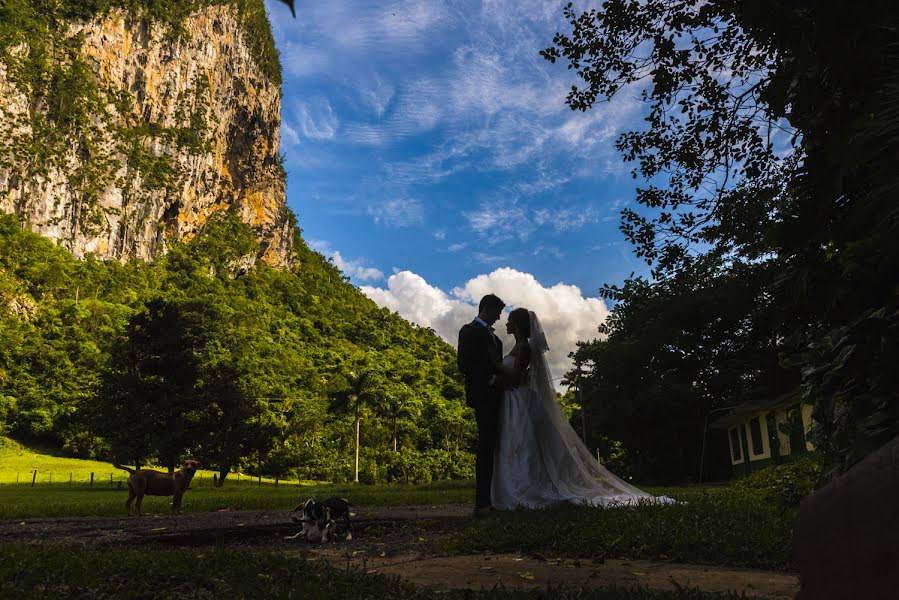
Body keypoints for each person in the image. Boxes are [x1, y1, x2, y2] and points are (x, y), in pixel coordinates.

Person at [490, 308, 674, 509]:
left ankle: (523, 486)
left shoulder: (524, 347)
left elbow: (516, 377)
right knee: (516, 441)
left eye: (509, 321)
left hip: (519, 400)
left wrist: (495, 367)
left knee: (521, 441)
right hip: (515, 398)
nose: (506, 324)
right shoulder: (519, 346)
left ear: (517, 324)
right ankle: (515, 483)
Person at [457, 293, 505, 517]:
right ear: (485, 309)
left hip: (498, 396)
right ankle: (482, 502)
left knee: (494, 445)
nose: (499, 318)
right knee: (486, 446)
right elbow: (464, 364)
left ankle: (495, 497)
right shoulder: (469, 330)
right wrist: (489, 378)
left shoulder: (497, 339)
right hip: (483, 394)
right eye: (497, 312)